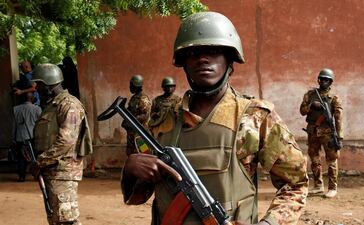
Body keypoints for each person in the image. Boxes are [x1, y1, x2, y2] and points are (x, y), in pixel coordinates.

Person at [121, 12, 308, 225]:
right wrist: (130, 171)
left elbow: (296, 184)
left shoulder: (255, 117)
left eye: (213, 51)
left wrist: (269, 223)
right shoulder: (162, 122)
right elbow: (139, 196)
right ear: (184, 62)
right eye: (193, 53)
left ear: (229, 59)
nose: (202, 59)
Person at [31, 63, 92, 225]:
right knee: (57, 219)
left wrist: (40, 161)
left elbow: (66, 140)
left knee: (66, 220)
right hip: (52, 171)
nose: (36, 88)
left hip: (63, 172)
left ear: (49, 84)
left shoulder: (69, 105)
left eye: (39, 85)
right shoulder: (53, 105)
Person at [300, 68, 343, 198]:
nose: (324, 82)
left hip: (328, 133)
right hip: (313, 131)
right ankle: (318, 186)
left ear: (331, 82)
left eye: (327, 80)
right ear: (318, 80)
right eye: (322, 79)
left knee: (331, 160)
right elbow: (302, 111)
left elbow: (338, 118)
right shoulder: (310, 95)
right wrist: (311, 106)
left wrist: (339, 136)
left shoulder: (334, 98)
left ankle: (332, 187)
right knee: (314, 158)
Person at [12, 92, 42, 182]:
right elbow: (40, 124)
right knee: (35, 157)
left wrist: (13, 137)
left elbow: (14, 125)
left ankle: (22, 176)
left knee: (21, 158)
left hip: (20, 137)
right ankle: (37, 175)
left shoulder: (15, 109)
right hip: (33, 136)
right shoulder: (37, 109)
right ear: (32, 99)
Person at [121, 75, 152, 155]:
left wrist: (130, 121)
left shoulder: (143, 99)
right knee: (131, 154)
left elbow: (145, 116)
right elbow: (130, 111)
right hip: (132, 133)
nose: (130, 87)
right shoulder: (134, 98)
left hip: (140, 135)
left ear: (136, 86)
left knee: (144, 153)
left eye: (131, 85)